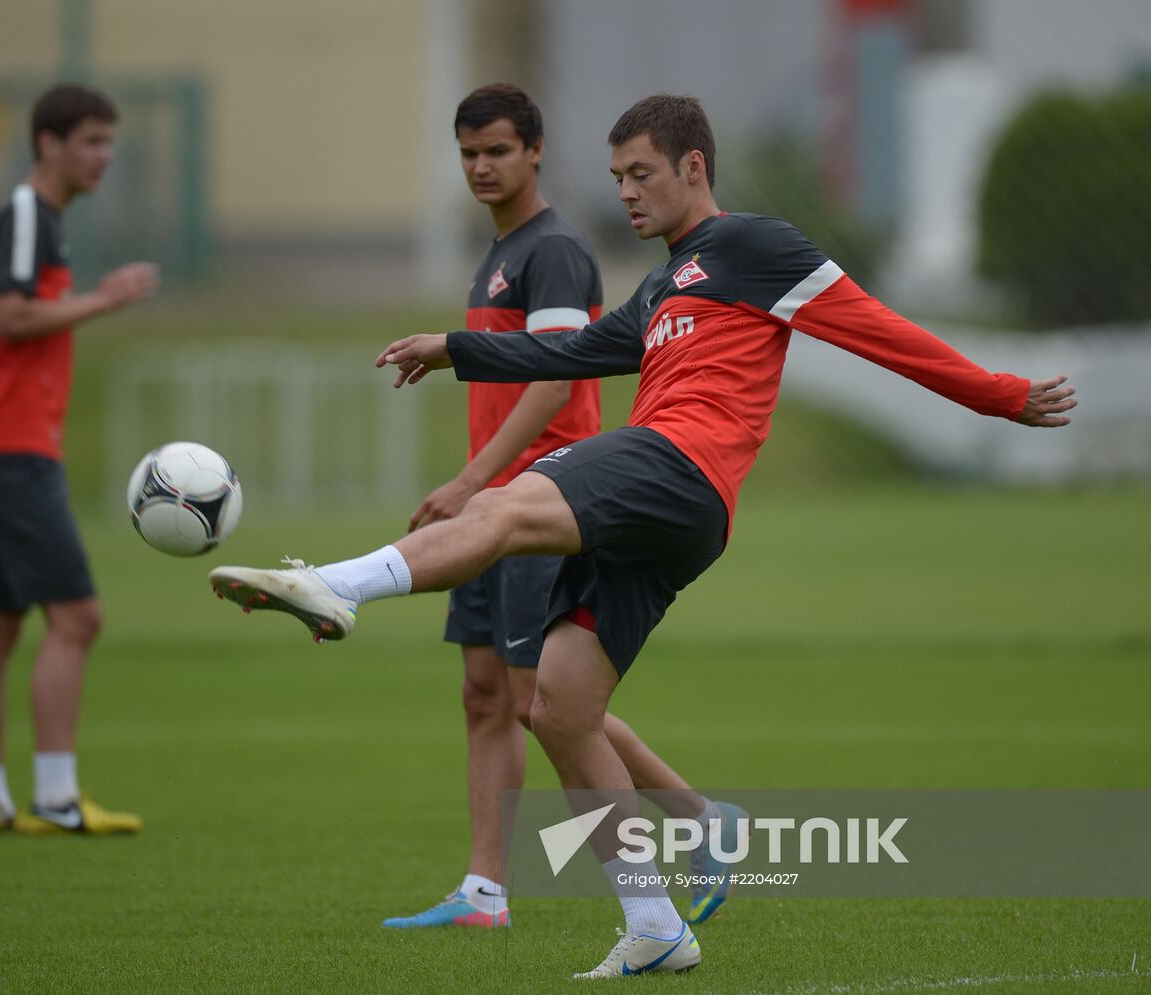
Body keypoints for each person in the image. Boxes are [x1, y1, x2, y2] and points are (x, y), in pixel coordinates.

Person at [208, 94, 1076, 977]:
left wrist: (999, 395)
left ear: (693, 168)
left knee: (506, 506)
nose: (625, 192)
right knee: (558, 707)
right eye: (618, 176)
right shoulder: (663, 285)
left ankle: (337, 586)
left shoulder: (755, 245)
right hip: (672, 509)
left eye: (641, 173)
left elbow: (876, 329)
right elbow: (570, 351)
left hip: (681, 465)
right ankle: (657, 923)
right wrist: (453, 347)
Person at [381, 83, 741, 933]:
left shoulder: (554, 251)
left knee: (542, 700)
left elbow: (555, 376)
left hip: (541, 501)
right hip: (494, 502)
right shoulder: (499, 250)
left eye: (498, 150)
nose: (481, 166)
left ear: (534, 151)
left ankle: (698, 819)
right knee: (484, 693)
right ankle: (484, 890)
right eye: (468, 152)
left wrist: (475, 485)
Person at [0, 84, 159, 837]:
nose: (103, 155)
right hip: (8, 449)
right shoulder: (28, 215)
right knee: (78, 617)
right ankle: (58, 797)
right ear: (49, 143)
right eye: (91, 141)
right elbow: (10, 317)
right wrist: (104, 300)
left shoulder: (43, 221)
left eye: (109, 141)